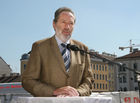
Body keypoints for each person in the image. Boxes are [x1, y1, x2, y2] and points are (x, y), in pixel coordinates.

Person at [22, 7, 93, 97]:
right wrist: (54, 91)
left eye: (71, 23)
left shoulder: (82, 49)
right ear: (54, 24)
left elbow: (88, 79)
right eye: (63, 22)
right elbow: (28, 80)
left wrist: (78, 92)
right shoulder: (39, 47)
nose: (67, 27)